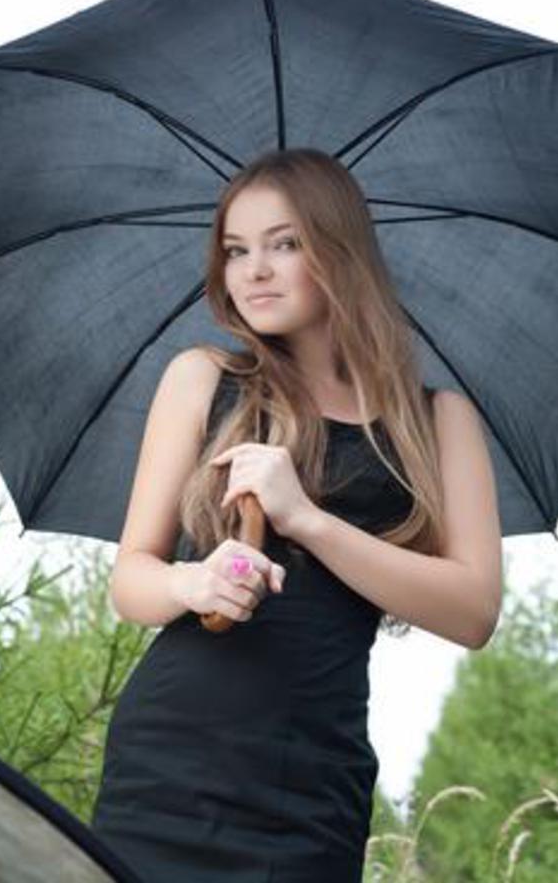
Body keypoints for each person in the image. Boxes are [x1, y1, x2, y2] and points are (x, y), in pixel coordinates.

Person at [90, 148, 502, 882]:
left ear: (339, 251)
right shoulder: (203, 380)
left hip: (314, 779)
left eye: (283, 244)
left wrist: (306, 518)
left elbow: (473, 611)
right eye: (235, 250)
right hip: (170, 763)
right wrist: (194, 582)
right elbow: (131, 578)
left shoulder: (439, 421)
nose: (253, 271)